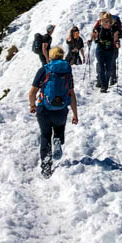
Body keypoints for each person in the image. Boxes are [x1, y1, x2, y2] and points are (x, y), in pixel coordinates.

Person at [29, 45, 78, 177]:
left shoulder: (44, 70)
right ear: (61, 56)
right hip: (61, 109)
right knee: (59, 129)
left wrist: (32, 105)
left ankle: (46, 167)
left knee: (45, 136)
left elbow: (32, 92)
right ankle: (57, 139)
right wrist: (75, 114)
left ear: (50, 57)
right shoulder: (67, 72)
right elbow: (71, 94)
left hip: (44, 109)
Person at [91, 12, 120, 92]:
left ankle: (105, 84)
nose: (107, 23)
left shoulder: (114, 29)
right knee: (101, 67)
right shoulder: (99, 28)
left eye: (108, 21)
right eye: (105, 20)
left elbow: (116, 39)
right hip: (100, 49)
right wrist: (92, 38)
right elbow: (94, 37)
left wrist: (117, 43)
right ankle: (104, 86)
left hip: (110, 50)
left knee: (108, 69)